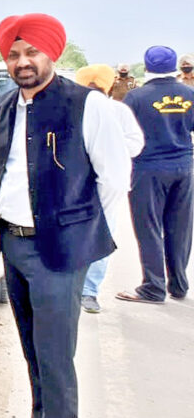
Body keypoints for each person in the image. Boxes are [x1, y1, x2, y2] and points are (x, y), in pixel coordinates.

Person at [0, 14, 130, 418]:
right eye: (13, 54)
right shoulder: (4, 105)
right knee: (33, 352)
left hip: (60, 252)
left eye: (31, 53)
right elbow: (3, 170)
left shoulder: (87, 105)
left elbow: (114, 179)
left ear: (53, 53)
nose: (22, 62)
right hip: (14, 245)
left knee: (56, 360)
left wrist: (82, 242)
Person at [116, 46, 194, 304]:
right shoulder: (189, 94)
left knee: (148, 227)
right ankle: (179, 285)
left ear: (147, 66)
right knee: (180, 227)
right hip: (183, 166)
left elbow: (122, 134)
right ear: (175, 66)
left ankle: (153, 287)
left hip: (148, 168)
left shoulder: (136, 97)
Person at [74, 64, 145, 314]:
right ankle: (84, 291)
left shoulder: (118, 111)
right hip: (81, 185)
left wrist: (107, 145)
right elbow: (135, 145)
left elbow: (134, 144)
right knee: (99, 236)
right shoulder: (73, 109)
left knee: (98, 235)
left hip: (105, 185)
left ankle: (87, 290)